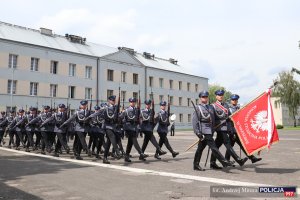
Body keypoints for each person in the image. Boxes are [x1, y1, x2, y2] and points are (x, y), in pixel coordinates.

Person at [192, 90, 233, 171]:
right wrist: (198, 133)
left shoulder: (210, 107)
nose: (205, 98)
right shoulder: (198, 108)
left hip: (209, 131)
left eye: (206, 96)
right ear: (200, 98)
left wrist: (213, 130)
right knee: (214, 147)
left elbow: (213, 120)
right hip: (203, 131)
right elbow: (194, 122)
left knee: (200, 148)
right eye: (203, 97)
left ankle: (197, 165)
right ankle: (223, 161)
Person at [210, 89, 248, 169]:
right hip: (219, 128)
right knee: (228, 145)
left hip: (226, 128)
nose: (220, 96)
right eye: (219, 95)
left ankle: (212, 162)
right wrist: (212, 129)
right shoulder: (213, 106)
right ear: (216, 96)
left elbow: (230, 117)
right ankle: (239, 160)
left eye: (222, 95)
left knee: (216, 146)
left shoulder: (226, 105)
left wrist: (231, 125)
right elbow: (212, 118)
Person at [225, 94, 262, 163]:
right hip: (232, 130)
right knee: (236, 145)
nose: (234, 101)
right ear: (231, 100)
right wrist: (231, 132)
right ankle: (251, 158)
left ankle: (227, 160)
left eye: (236, 100)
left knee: (232, 146)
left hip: (239, 130)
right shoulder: (228, 109)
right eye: (233, 100)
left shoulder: (239, 108)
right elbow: (228, 122)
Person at [120, 97, 148, 162]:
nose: (132, 103)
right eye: (131, 102)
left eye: (134, 102)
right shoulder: (127, 110)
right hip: (128, 128)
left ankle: (126, 156)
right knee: (134, 140)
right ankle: (141, 153)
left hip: (134, 128)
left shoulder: (137, 110)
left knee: (130, 143)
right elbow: (120, 117)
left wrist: (139, 123)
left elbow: (138, 118)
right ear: (130, 103)